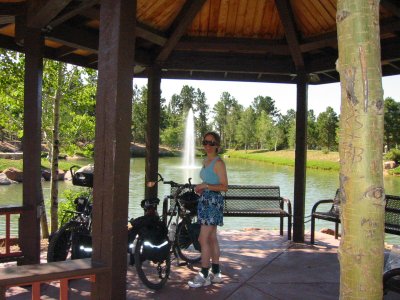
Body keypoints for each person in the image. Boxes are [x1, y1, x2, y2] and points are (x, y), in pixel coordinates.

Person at [188, 131, 228, 288]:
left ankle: (204, 275)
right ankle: (216, 273)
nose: (208, 146)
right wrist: (203, 187)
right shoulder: (205, 160)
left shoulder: (218, 163)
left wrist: (205, 186)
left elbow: (224, 187)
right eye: (205, 142)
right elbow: (209, 180)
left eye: (211, 143)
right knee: (211, 238)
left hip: (213, 202)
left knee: (202, 239)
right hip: (205, 201)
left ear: (217, 145)